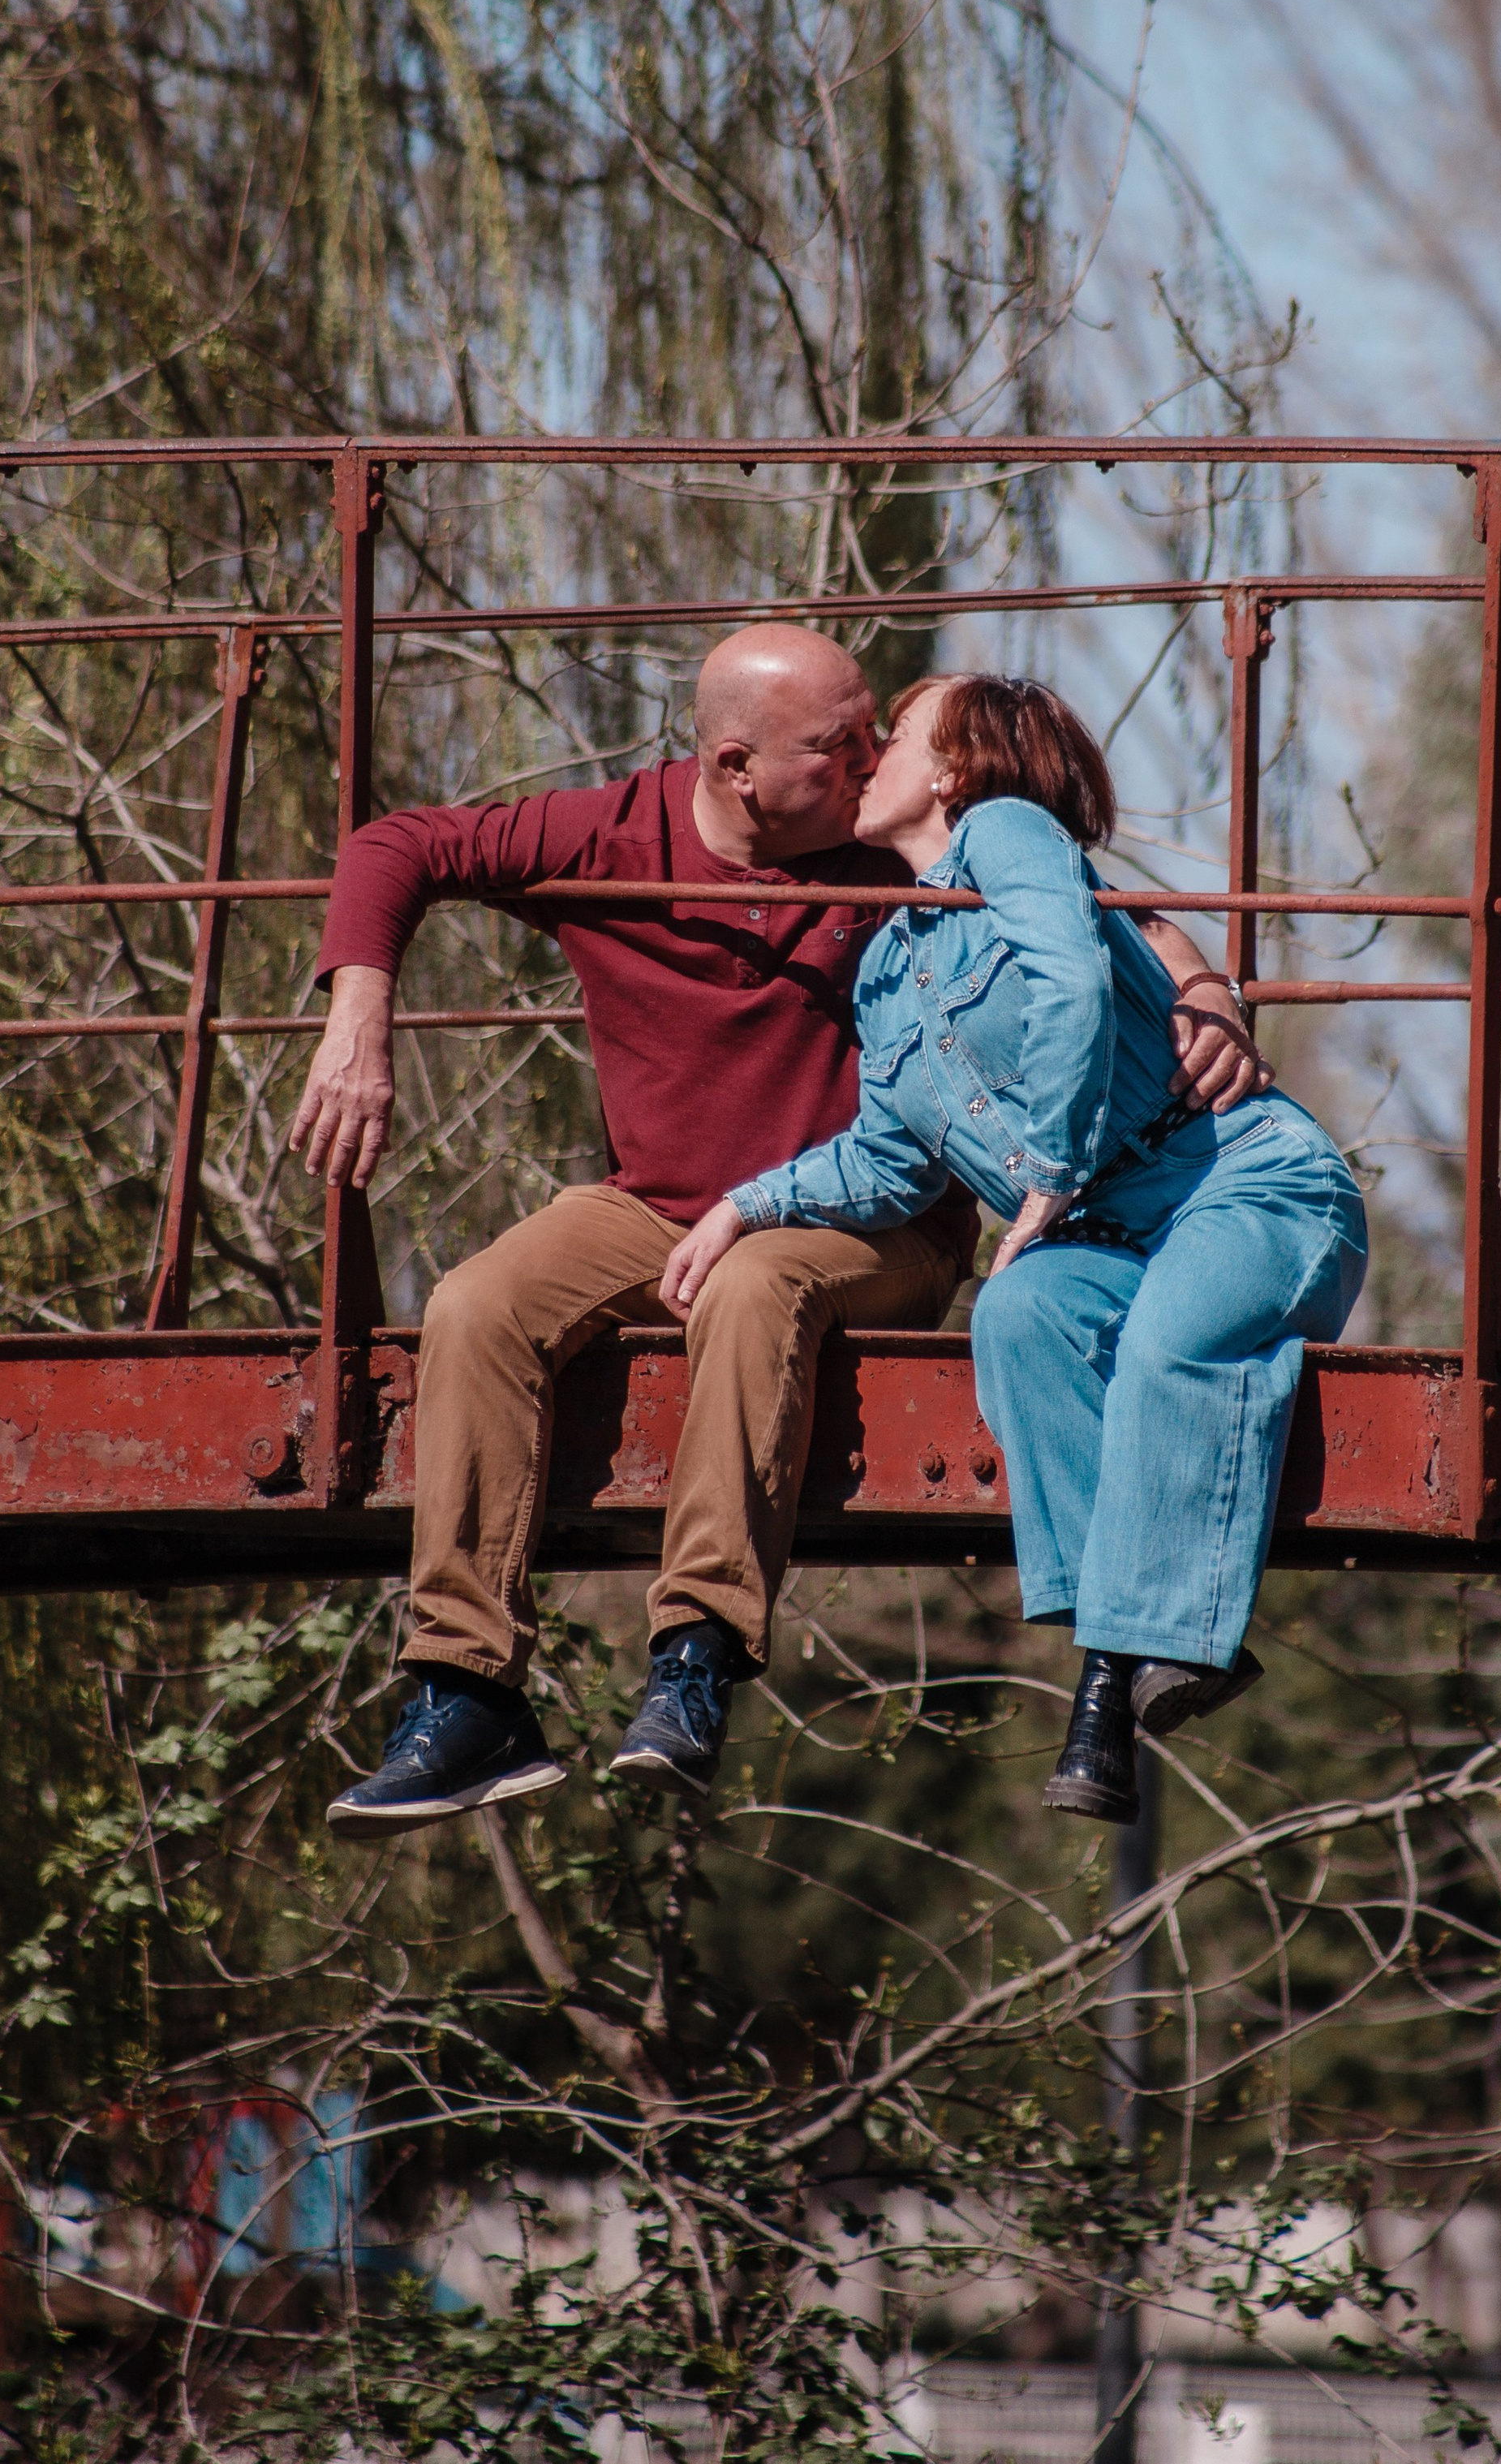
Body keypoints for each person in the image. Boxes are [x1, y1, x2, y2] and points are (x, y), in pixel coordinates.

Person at [290, 627, 1267, 1836]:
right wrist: (358, 1016)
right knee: (474, 1304)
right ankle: (465, 1687)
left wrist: (1207, 988)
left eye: (875, 730)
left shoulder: (890, 841)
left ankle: (694, 1660)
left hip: (876, 1221)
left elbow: (1094, 914)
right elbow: (400, 846)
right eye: (837, 743)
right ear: (738, 768)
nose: (871, 758)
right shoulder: (611, 837)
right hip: (660, 1207)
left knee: (756, 1283)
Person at [660, 672, 1368, 1826]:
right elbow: (892, 1162)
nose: (874, 750)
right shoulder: (887, 971)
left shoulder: (1008, 835)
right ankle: (1151, 1649)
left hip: (1243, 1181)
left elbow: (1075, 984)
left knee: (1169, 1339)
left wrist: (1047, 1167)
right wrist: (748, 1205)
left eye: (900, 735)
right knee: (1020, 1312)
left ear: (952, 771)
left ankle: (1113, 1681)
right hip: (1113, 1231)